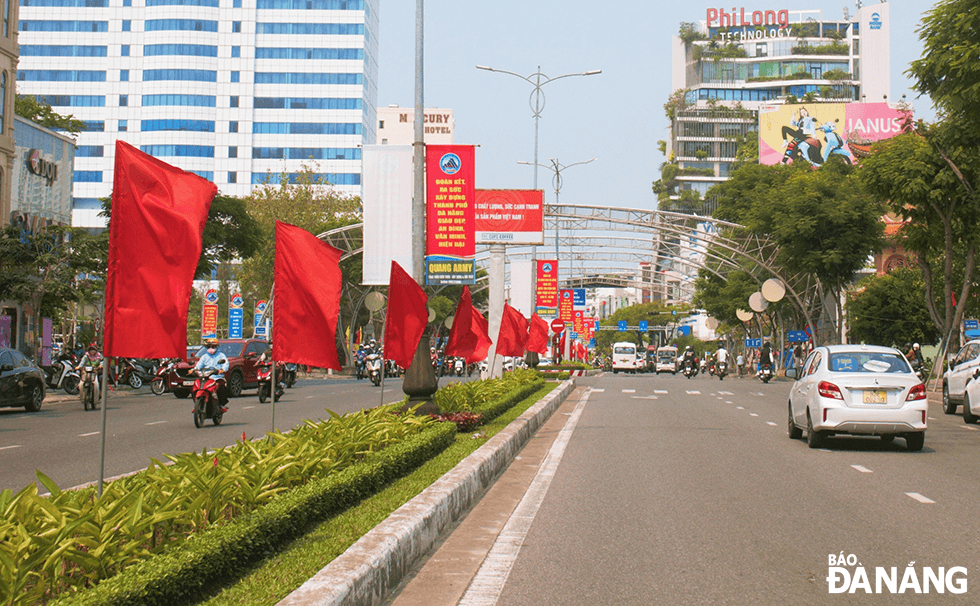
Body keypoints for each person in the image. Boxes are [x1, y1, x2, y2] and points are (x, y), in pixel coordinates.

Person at [194, 339, 230, 411]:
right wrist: (193, 370)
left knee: (221, 388)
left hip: (217, 377)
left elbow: (225, 364)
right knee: (195, 387)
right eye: (209, 347)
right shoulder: (204, 357)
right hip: (206, 377)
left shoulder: (221, 355)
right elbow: (198, 365)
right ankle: (197, 405)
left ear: (216, 347)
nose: (211, 349)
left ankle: (221, 405)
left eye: (213, 347)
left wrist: (222, 370)